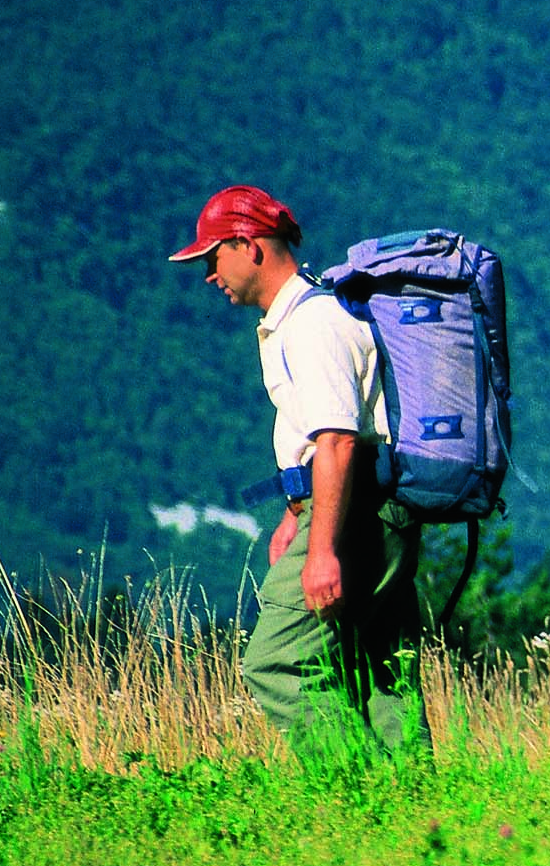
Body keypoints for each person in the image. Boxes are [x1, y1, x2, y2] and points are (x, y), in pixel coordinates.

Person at [169, 185, 429, 759]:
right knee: (374, 664)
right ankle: (413, 804)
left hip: (353, 509)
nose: (209, 274)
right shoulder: (314, 313)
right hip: (373, 505)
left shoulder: (312, 324)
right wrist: (295, 512)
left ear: (249, 245)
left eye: (213, 257)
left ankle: (356, 792)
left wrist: (321, 550)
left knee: (277, 661)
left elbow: (336, 440)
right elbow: (322, 435)